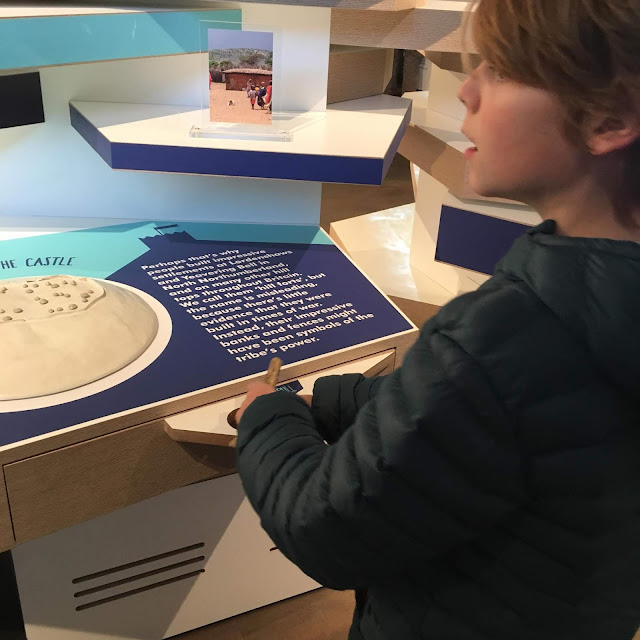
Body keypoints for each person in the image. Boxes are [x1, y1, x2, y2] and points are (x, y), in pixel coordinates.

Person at [235, 1, 640, 638]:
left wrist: (269, 414)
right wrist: (342, 398)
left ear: (609, 116)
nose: (468, 91)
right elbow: (514, 422)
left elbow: (322, 525)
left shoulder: (505, 333)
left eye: (502, 70)